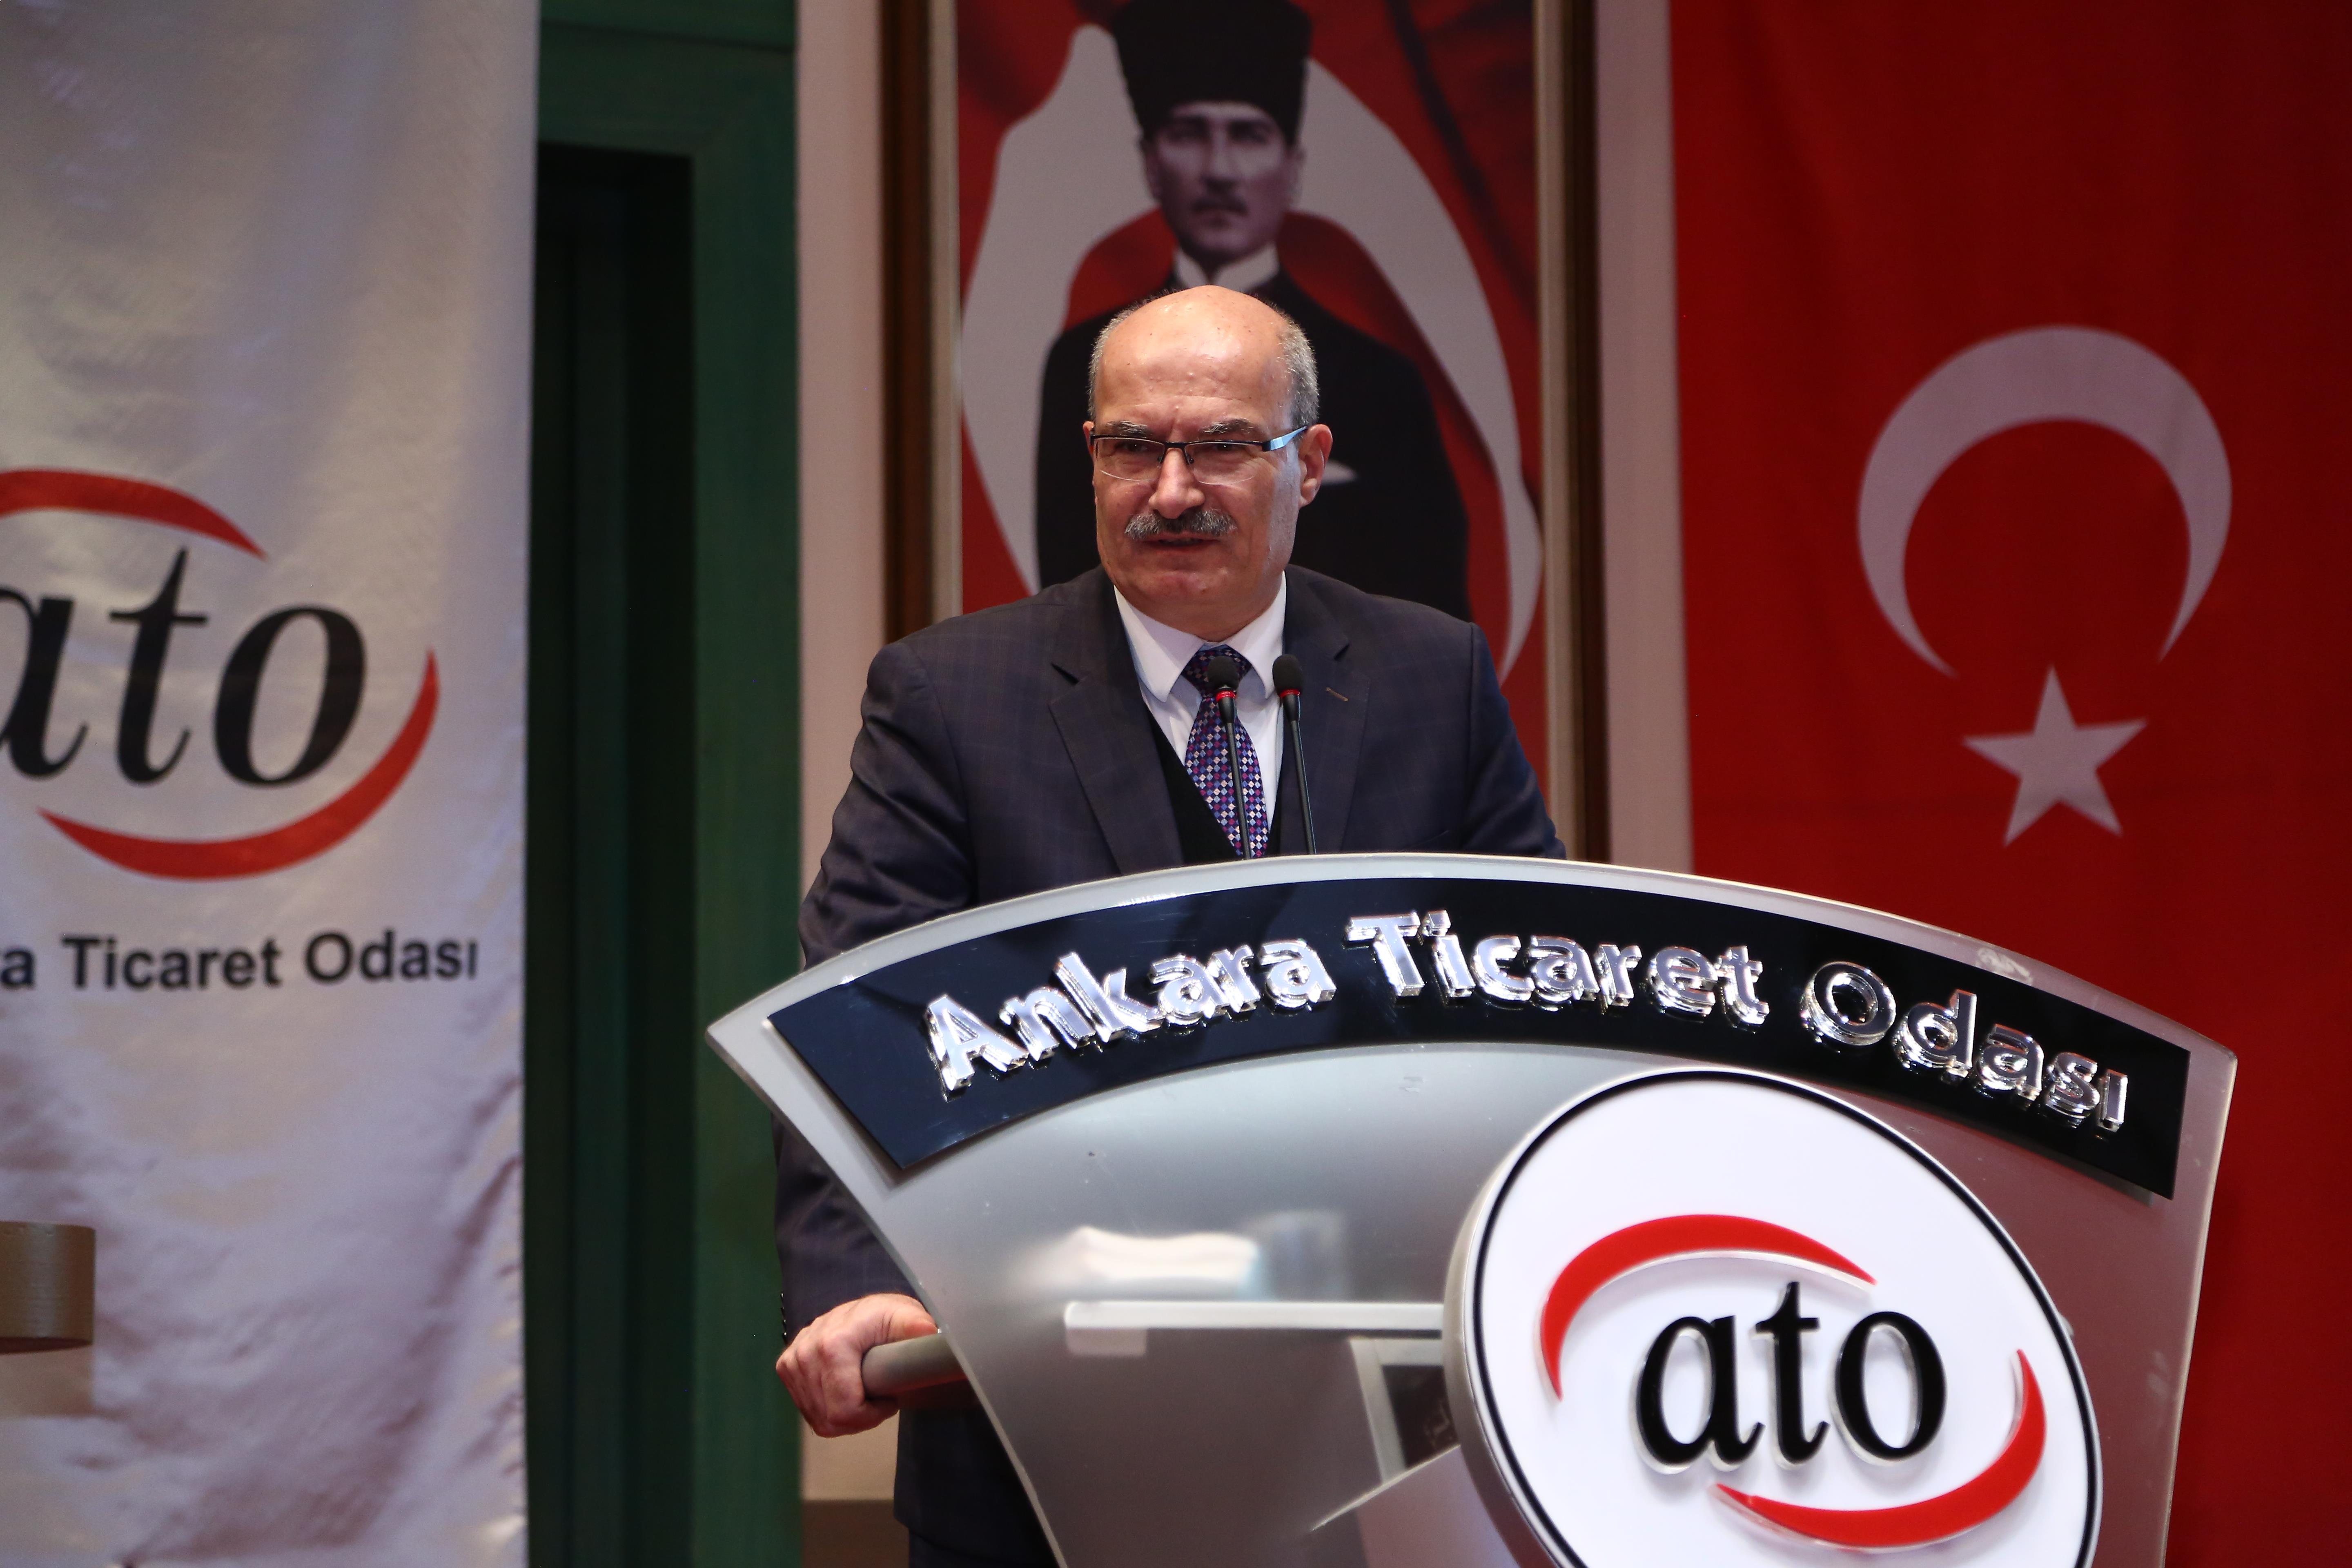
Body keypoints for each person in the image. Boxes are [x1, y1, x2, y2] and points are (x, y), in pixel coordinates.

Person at [778, 287, 1560, 1566]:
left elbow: (1537, 1007)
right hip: (1050, 1435)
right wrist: (861, 1282)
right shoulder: (954, 698)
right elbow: (867, 1023)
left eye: (1222, 449)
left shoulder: (1434, 678)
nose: (1173, 491)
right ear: (1091, 456)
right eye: (1133, 448)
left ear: (1308, 461)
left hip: (1390, 1437)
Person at [1031, 0, 1474, 620]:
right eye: (1190, 134)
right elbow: (1065, 589)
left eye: (1248, 135)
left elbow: (1427, 597)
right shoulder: (1081, 360)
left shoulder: (1379, 379)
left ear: (1293, 168)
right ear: (1152, 165)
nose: (1219, 171)